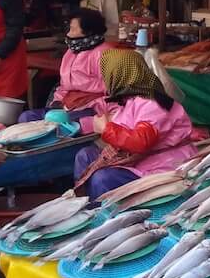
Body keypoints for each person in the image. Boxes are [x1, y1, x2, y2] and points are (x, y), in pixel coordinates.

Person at [72, 49, 199, 199]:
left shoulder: (152, 102)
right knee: (85, 155)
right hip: (137, 160)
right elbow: (117, 119)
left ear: (117, 75)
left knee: (103, 178)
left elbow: (141, 141)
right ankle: (85, 202)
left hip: (161, 166)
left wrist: (106, 129)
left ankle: (102, 214)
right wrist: (81, 125)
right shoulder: (129, 99)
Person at [18, 8, 109, 124]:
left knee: (59, 125)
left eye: (73, 29)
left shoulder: (104, 54)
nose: (68, 34)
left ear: (88, 32)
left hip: (91, 109)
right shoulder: (71, 52)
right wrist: (57, 102)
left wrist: (89, 104)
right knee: (26, 117)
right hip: (66, 106)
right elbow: (64, 85)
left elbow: (111, 92)